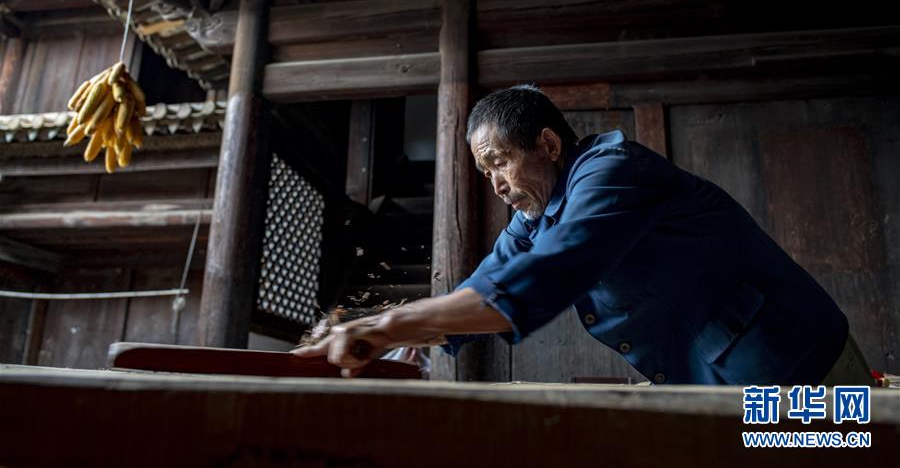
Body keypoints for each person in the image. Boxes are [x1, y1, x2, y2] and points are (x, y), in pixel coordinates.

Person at [295, 85, 872, 385]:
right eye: (485, 173)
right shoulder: (533, 213)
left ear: (548, 144)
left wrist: (393, 324)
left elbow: (551, 271)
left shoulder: (613, 171)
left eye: (499, 162)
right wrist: (410, 331)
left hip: (793, 366)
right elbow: (489, 280)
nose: (496, 184)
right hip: (714, 379)